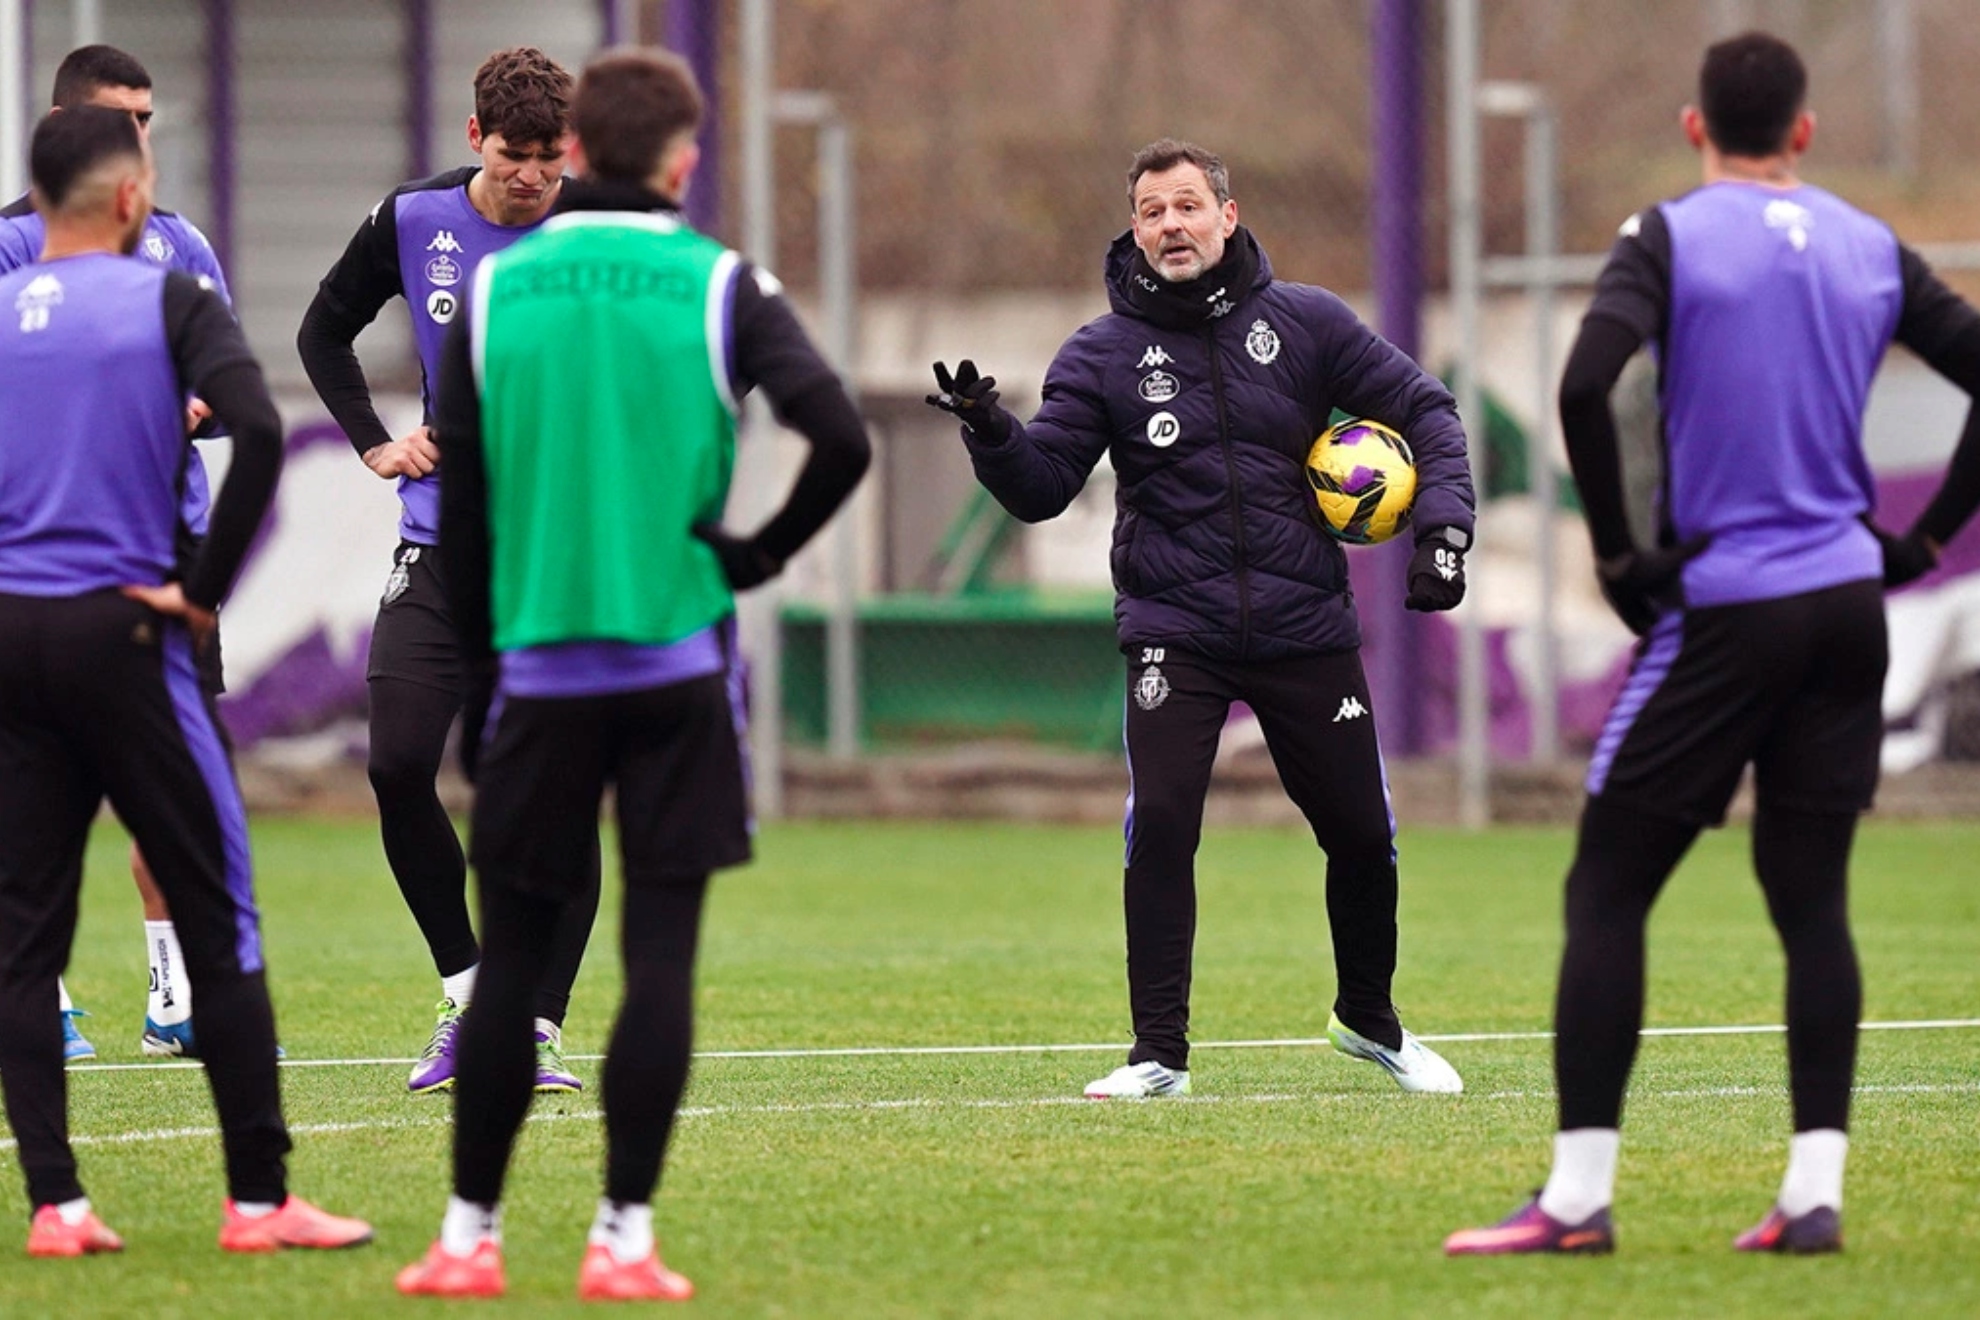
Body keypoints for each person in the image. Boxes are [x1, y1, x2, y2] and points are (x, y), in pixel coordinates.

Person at [1445, 32, 1980, 1258]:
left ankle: (1577, 1200)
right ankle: (1813, 1194)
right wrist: (1925, 539)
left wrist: (1622, 557)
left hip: (1731, 604)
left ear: (1697, 129)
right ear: (1802, 131)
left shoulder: (1668, 235)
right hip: (1851, 609)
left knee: (1607, 886)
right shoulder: (1867, 243)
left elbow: (1586, 385)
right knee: (1813, 904)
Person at [394, 46, 871, 1300]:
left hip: (538, 673)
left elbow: (472, 499)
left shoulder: (499, 293)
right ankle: (623, 1239)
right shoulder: (721, 284)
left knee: (508, 963)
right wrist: (757, 552)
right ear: (683, 158)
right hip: (675, 671)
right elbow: (842, 436)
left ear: (578, 151)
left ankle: (466, 1237)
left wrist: (490, 673)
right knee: (659, 960)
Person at [926, 139, 1474, 1101]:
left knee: (1358, 830)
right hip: (1175, 628)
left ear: (1227, 214)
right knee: (1165, 819)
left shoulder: (1308, 323)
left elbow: (1427, 411)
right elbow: (1045, 487)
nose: (1170, 225)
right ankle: (1158, 1054)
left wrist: (1443, 533)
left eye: (1186, 206)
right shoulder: (1100, 353)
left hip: (1306, 625)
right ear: (1133, 229)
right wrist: (992, 431)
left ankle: (1370, 1020)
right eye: (1150, 211)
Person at [0, 105, 373, 1258]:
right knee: (220, 911)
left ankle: (56, 1208)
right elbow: (257, 431)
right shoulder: (168, 299)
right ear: (126, 198)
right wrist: (204, 587)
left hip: (13, 635)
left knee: (24, 929)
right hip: (125, 633)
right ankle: (259, 1201)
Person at [296, 47, 597, 1095]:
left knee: (555, 795)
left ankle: (539, 1028)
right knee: (397, 764)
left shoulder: (602, 233)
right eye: (515, 157)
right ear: (476, 141)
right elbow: (323, 329)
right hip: (440, 539)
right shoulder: (413, 223)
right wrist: (378, 440)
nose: (532, 179)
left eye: (550, 161)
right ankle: (472, 997)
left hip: (561, 559)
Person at [0, 43, 232, 1066]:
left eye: (147, 118)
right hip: (38, 560)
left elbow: (231, 394)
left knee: (176, 787)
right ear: (63, 131)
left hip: (163, 558)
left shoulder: (181, 246)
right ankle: (37, 995)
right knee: (29, 799)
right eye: (117, 119)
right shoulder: (12, 249)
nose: (139, 138)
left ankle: (173, 997)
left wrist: (192, 403)